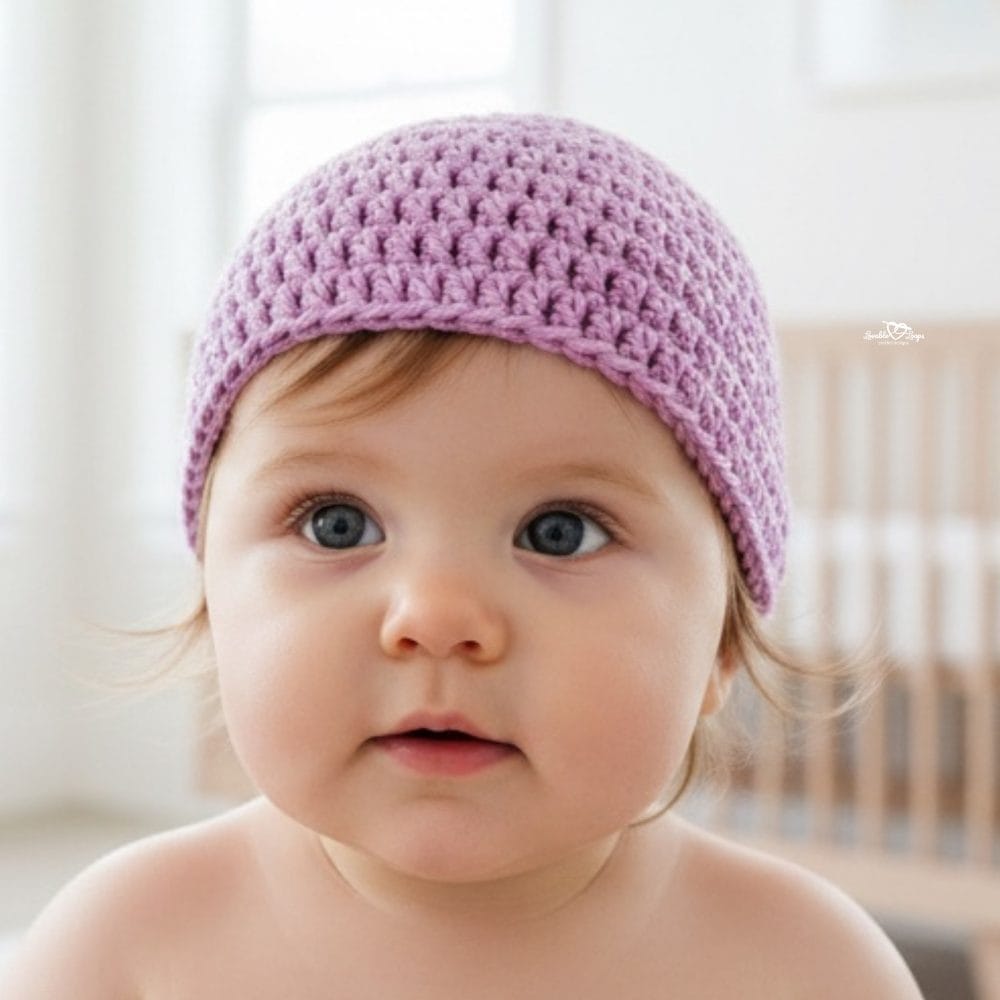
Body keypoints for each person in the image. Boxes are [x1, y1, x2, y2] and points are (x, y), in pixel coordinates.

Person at [3, 113, 924, 998]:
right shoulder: (122, 949)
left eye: (560, 530)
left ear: (722, 640)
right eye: (336, 523)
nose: (436, 616)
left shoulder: (807, 970)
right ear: (212, 593)